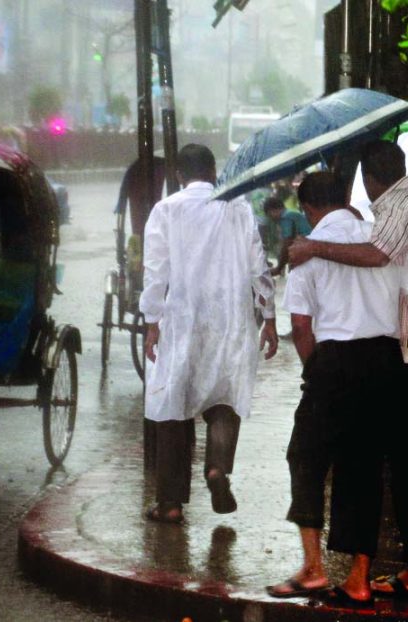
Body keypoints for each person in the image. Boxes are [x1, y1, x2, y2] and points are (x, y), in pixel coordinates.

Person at [289, 141, 408, 597]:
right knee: (370, 466)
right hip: (391, 359)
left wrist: (317, 373)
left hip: (356, 359)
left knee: (312, 458)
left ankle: (319, 566)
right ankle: (365, 576)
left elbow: (303, 326)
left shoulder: (328, 244)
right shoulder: (396, 223)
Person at [140, 144, 278, 524]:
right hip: (229, 320)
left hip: (182, 319)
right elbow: (258, 267)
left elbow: (155, 272)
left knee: (172, 406)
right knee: (225, 398)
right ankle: (217, 467)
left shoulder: (166, 210)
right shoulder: (237, 208)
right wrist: (269, 317)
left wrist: (152, 323)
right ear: (214, 170)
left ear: (180, 175)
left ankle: (169, 503)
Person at [262, 195, 312, 276]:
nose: (271, 218)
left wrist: (279, 268)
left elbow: (287, 243)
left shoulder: (285, 217)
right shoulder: (290, 213)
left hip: (307, 248)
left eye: (269, 214)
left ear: (273, 210)